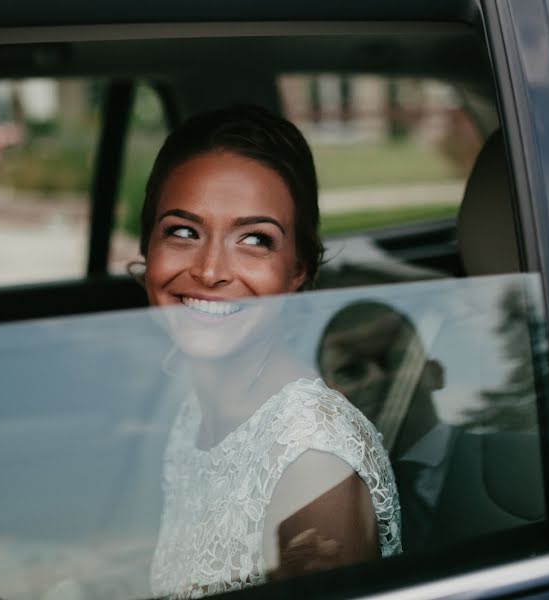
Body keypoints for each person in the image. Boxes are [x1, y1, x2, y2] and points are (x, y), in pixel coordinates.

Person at [135, 105, 400, 598]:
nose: (211, 269)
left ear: (298, 268)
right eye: (183, 231)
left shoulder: (313, 462)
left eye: (255, 239)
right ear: (147, 246)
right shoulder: (195, 406)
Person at [316, 300, 545, 554]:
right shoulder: (325, 515)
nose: (375, 377)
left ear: (435, 373)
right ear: (330, 404)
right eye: (351, 371)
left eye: (393, 359)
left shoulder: (531, 460)